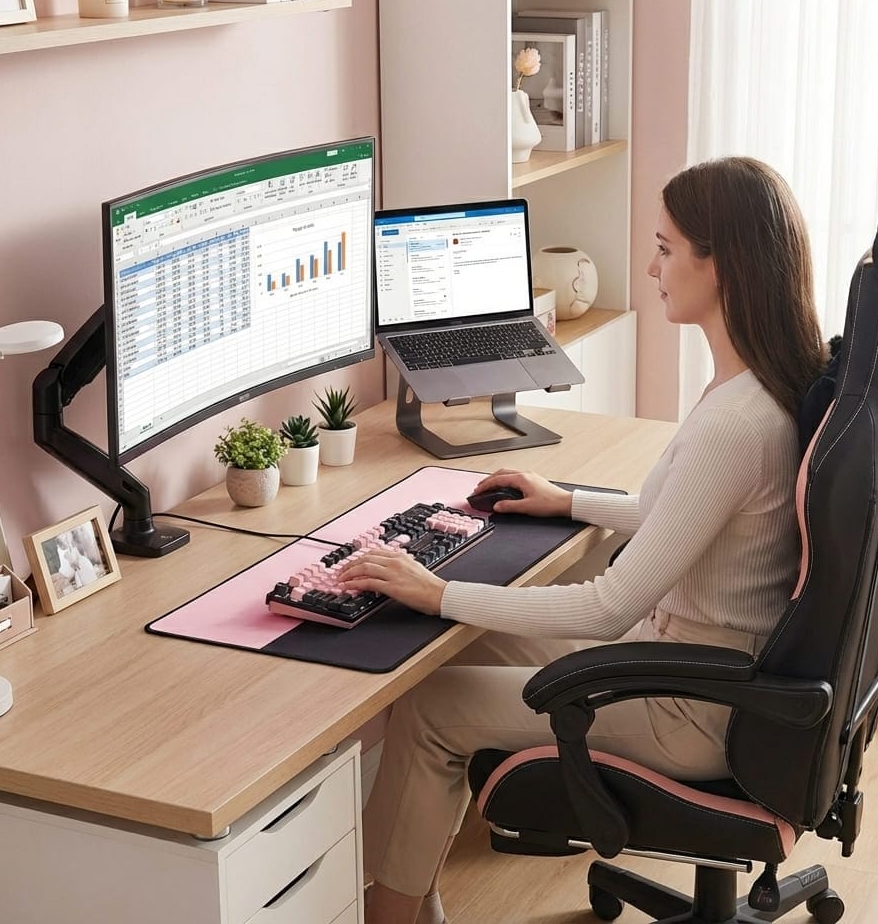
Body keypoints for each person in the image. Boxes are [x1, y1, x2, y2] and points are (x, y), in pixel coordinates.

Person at [337, 156, 827, 924]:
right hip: (687, 661)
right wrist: (570, 501)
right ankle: (416, 899)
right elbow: (690, 524)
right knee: (460, 647)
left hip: (686, 704)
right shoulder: (754, 386)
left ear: (720, 265)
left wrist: (436, 590)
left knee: (433, 704)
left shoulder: (736, 424)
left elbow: (606, 608)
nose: (652, 266)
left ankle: (387, 915)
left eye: (666, 248)